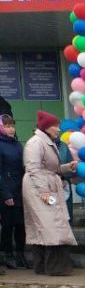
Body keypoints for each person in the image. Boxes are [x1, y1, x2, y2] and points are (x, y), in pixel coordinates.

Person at [22, 111, 78, 276]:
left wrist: (68, 167)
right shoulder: (36, 143)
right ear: (47, 127)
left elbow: (51, 169)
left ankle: (46, 266)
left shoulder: (46, 142)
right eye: (56, 126)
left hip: (44, 185)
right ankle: (54, 267)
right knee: (51, 226)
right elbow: (33, 169)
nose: (59, 129)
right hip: (39, 188)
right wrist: (44, 191)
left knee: (49, 226)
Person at [0, 114, 25, 271]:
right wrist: (6, 194)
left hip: (20, 189)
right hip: (6, 191)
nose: (11, 129)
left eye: (12, 125)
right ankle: (8, 255)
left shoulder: (16, 144)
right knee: (8, 225)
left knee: (21, 224)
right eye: (7, 126)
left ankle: (20, 253)